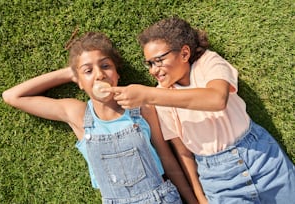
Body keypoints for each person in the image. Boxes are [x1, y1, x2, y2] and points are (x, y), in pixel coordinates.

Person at [105, 17, 295, 204]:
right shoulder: (161, 97)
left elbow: (217, 99)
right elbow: (184, 153)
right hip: (218, 179)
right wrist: (199, 197)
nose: (154, 70)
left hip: (262, 158)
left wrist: (148, 95)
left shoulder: (209, 63)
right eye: (150, 64)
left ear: (184, 53)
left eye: (158, 61)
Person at [2, 31, 201, 204]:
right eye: (88, 71)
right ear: (79, 82)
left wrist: (192, 200)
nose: (99, 75)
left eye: (105, 66)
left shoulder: (143, 108)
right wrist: (69, 73)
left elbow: (168, 159)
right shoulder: (77, 114)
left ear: (117, 74)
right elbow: (12, 96)